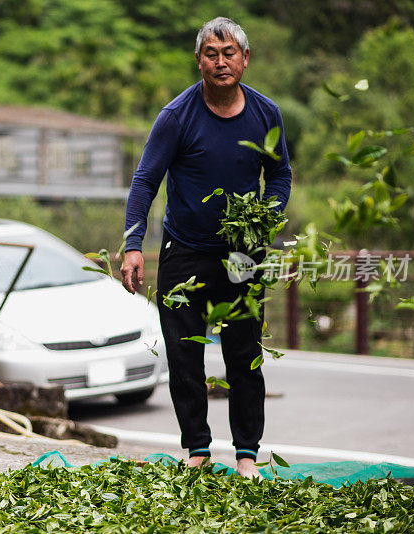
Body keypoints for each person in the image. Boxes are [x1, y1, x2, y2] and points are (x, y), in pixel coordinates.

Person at [120, 17, 292, 478]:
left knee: (244, 355)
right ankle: (197, 449)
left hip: (241, 255)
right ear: (199, 60)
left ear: (245, 58)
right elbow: (145, 182)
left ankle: (246, 455)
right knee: (184, 355)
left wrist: (267, 215)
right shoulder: (176, 117)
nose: (221, 62)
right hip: (185, 252)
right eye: (211, 53)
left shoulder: (265, 113)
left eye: (229, 52)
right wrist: (133, 244)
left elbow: (278, 176)